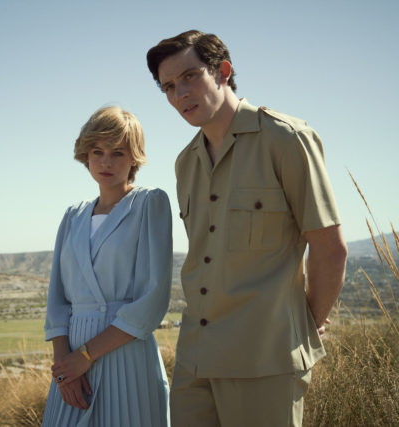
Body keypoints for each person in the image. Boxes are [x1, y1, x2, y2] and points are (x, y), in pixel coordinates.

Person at [146, 30, 348, 426]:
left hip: (266, 360)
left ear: (222, 71)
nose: (179, 94)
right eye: (169, 87)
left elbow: (330, 248)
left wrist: (301, 330)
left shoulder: (286, 139)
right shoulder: (185, 164)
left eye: (189, 77)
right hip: (195, 361)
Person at [41, 106, 172, 427]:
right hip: (70, 360)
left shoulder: (149, 203)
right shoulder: (73, 214)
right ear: (85, 155)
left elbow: (153, 299)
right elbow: (57, 300)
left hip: (125, 352)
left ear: (134, 157)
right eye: (97, 151)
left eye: (117, 152)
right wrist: (65, 368)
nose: (105, 162)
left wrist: (85, 356)